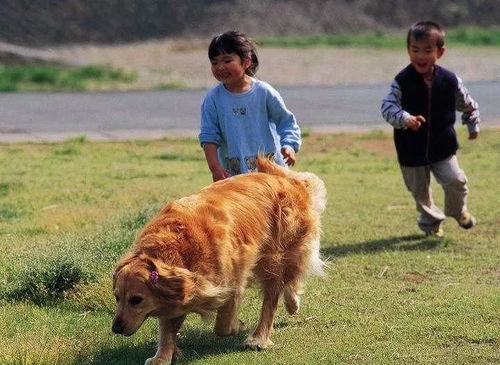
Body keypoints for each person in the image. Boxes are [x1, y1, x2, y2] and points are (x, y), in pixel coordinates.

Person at [381, 20, 480, 237]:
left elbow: (468, 104)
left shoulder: (450, 80)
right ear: (408, 51)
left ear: (440, 52)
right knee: (420, 193)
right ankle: (431, 224)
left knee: (456, 180)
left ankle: (457, 210)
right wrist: (405, 118)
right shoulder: (402, 81)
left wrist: (472, 123)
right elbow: (387, 107)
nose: (420, 56)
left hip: (442, 147)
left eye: (427, 50)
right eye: (415, 50)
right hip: (411, 150)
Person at [199, 30, 301, 182]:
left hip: (271, 173)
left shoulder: (264, 92)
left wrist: (289, 146)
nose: (220, 67)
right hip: (234, 177)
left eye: (227, 61)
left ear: (246, 61)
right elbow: (209, 136)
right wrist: (215, 167)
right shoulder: (213, 99)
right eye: (215, 62)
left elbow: (286, 122)